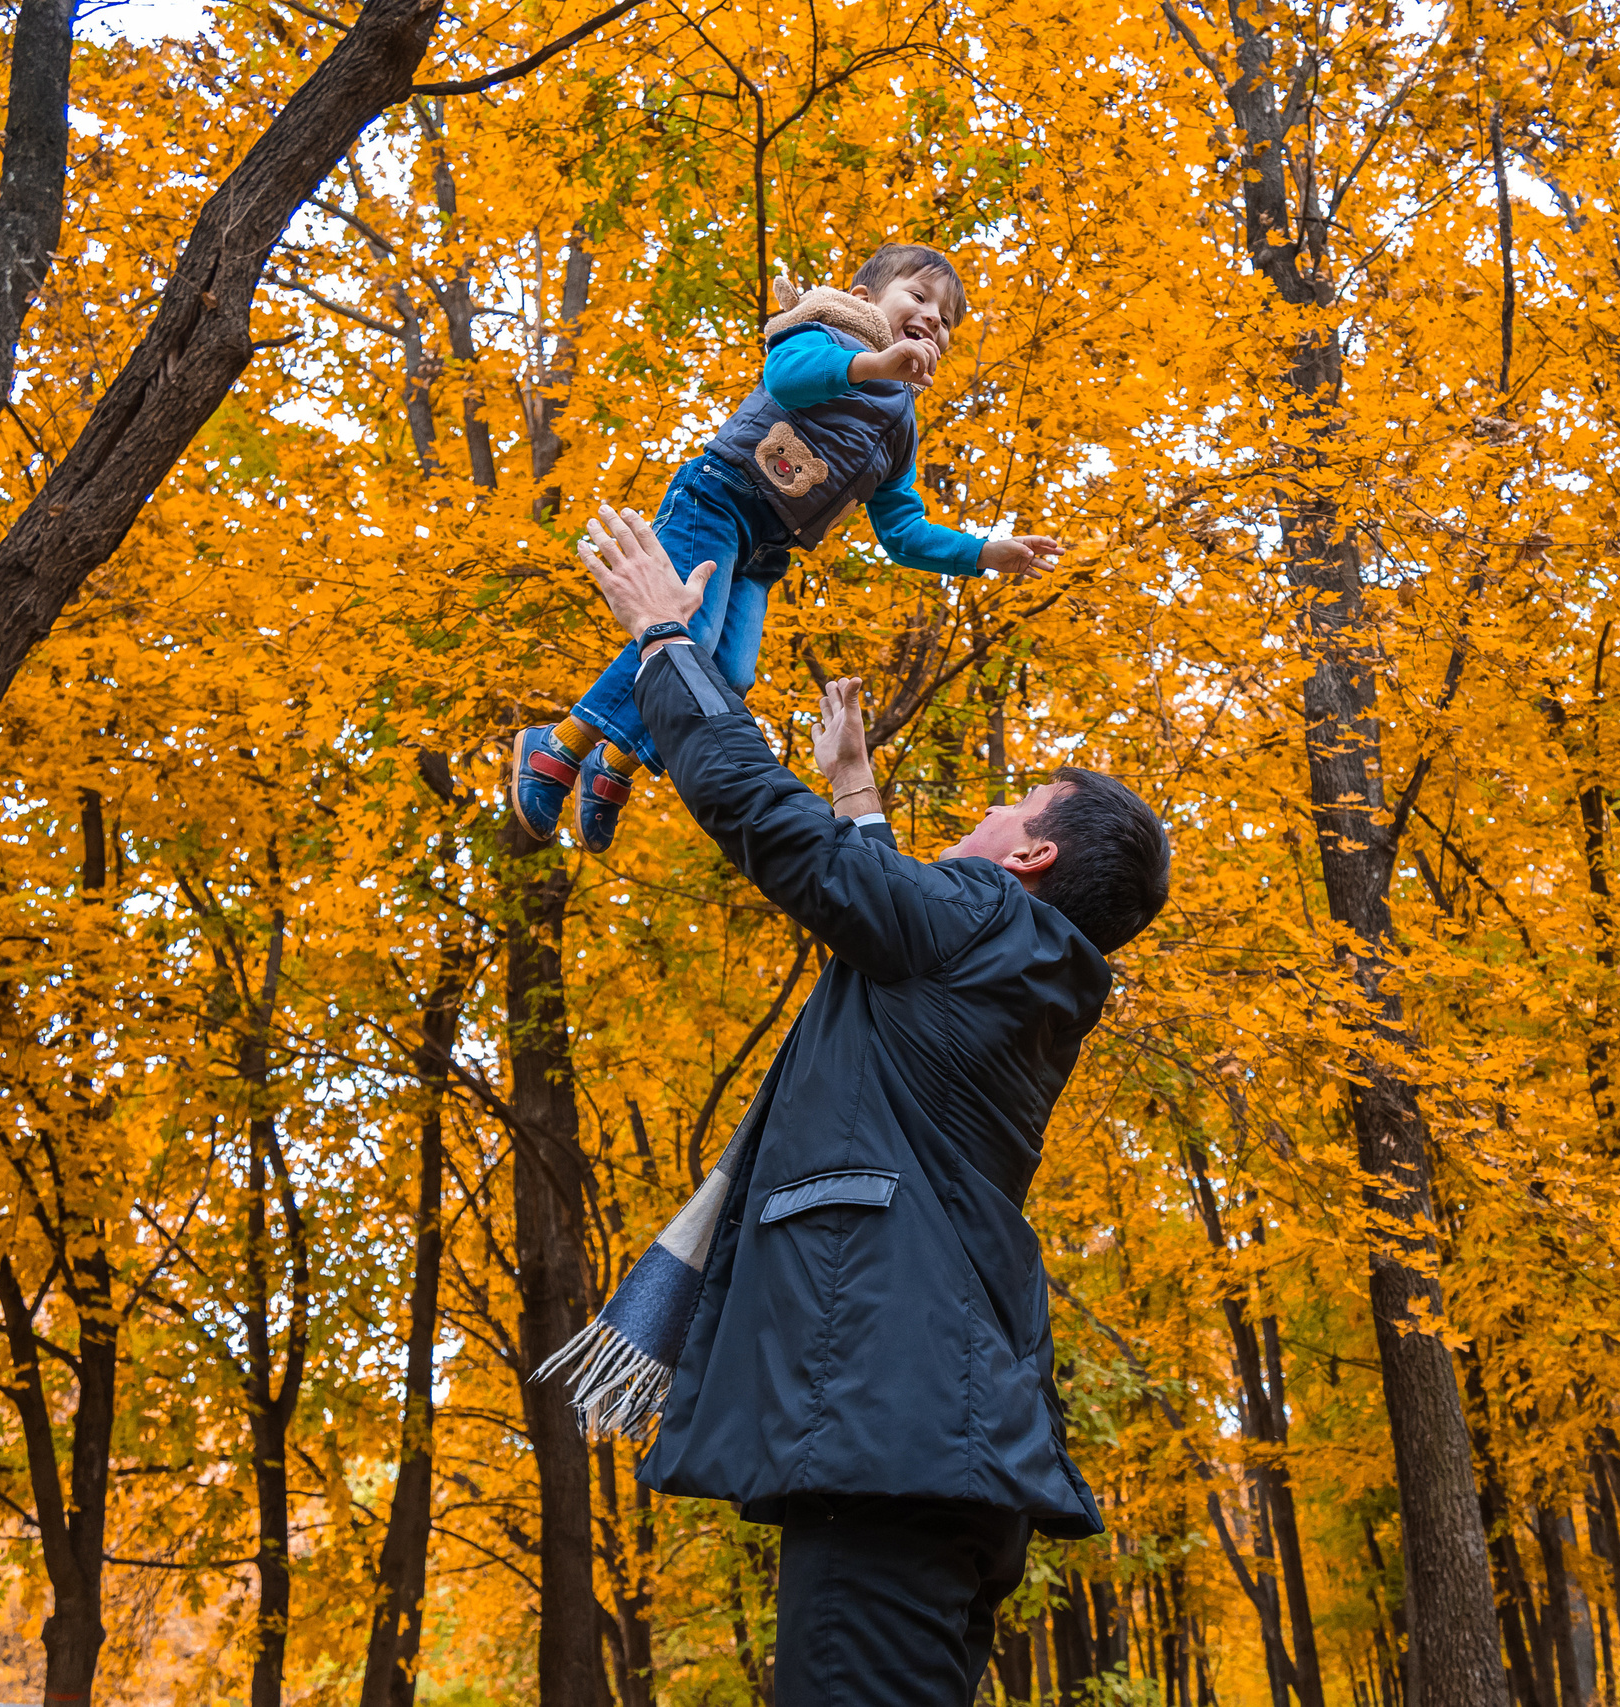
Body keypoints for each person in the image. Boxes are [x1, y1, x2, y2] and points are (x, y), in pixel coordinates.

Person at [559, 503, 1170, 1706]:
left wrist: (664, 645)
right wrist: (861, 799)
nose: (987, 814)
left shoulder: (984, 931)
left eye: (1011, 807)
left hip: (890, 1451)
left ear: (1029, 859)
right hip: (926, 1442)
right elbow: (889, 923)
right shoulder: (1015, 970)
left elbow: (773, 832)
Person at [508, 243, 1062, 853]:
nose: (935, 317)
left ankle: (616, 759)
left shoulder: (900, 427)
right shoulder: (826, 331)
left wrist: (986, 553)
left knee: (728, 673)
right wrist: (875, 365)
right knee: (684, 632)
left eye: (948, 318)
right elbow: (788, 380)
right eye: (920, 296)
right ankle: (558, 744)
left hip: (766, 549)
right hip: (717, 500)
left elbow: (902, 533)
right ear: (864, 301)